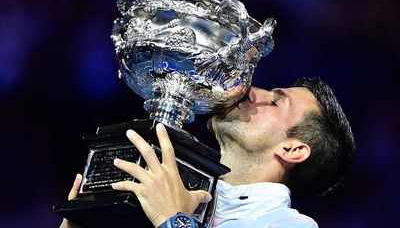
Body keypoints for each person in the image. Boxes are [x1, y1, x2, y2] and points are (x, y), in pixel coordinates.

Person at [60, 77, 355, 228]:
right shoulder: (176, 193)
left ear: (292, 149)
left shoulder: (289, 225)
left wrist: (172, 218)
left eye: (276, 103)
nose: (253, 90)